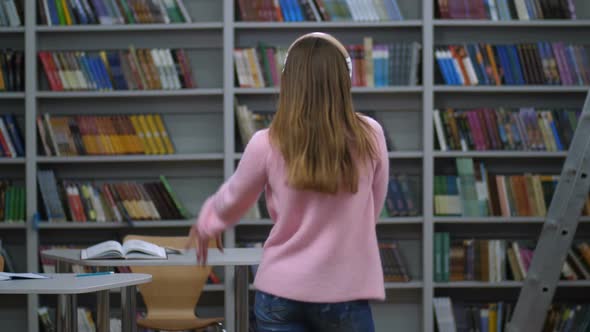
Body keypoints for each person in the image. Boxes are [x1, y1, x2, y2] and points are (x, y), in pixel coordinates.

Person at [187, 32, 389, 332]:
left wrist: (208, 223)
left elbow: (232, 200)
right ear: (345, 79)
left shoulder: (266, 142)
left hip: (280, 290)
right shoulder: (370, 134)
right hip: (345, 288)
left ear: (288, 82)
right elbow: (374, 204)